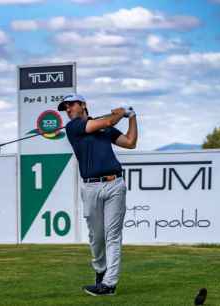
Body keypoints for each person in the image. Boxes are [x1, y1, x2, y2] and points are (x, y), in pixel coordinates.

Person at [57, 93, 138, 296]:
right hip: (91, 187)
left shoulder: (105, 127)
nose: (67, 110)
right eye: (65, 107)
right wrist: (119, 114)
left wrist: (132, 117)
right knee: (96, 237)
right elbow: (107, 120)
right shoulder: (73, 127)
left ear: (83, 105)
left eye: (70, 105)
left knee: (113, 235)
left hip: (115, 184)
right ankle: (101, 271)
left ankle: (109, 284)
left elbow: (130, 142)